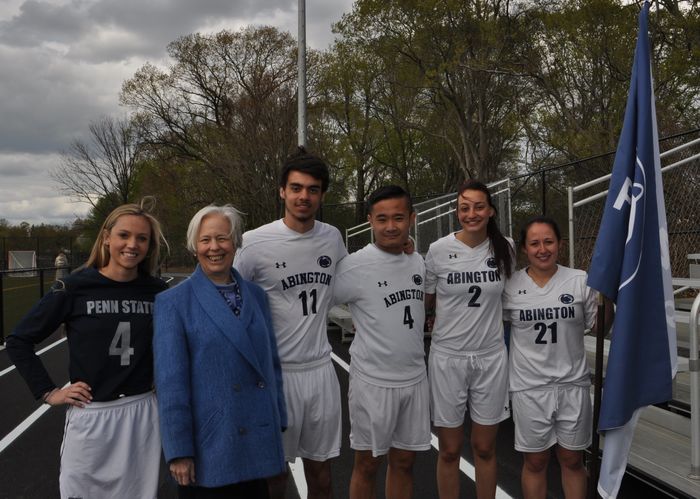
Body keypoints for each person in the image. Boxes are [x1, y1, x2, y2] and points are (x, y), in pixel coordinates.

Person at [6, 201, 168, 499]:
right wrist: (49, 392)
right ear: (106, 237)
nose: (132, 245)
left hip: (142, 412)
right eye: (124, 235)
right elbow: (18, 341)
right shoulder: (73, 287)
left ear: (150, 244)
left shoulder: (158, 292)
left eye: (142, 238)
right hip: (92, 413)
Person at [234, 147, 347, 499]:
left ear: (322, 194)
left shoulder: (333, 237)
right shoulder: (253, 243)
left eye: (313, 189)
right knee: (273, 476)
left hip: (319, 371)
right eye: (296, 188)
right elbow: (227, 295)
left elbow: (357, 274)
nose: (304, 196)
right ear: (282, 191)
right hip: (274, 376)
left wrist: (401, 247)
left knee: (323, 476)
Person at [154, 205, 286, 498]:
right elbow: (171, 385)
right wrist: (178, 450)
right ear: (194, 246)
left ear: (236, 242)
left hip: (257, 435)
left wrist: (278, 418)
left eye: (223, 238)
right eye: (205, 240)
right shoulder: (173, 303)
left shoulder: (256, 295)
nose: (214, 247)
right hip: (210, 445)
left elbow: (270, 363)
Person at [333, 185, 431, 499]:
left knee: (404, 462)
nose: (391, 226)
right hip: (373, 382)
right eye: (382, 219)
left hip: (415, 378)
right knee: (367, 464)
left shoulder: (418, 260)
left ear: (412, 219)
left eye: (399, 218)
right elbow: (317, 299)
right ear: (370, 221)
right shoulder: (355, 266)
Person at [503, 216, 606, 499]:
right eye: (534, 243)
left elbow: (600, 326)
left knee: (572, 459)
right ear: (524, 248)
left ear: (560, 244)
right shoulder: (510, 286)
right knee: (535, 461)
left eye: (548, 242)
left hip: (572, 384)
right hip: (529, 387)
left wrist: (610, 296)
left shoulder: (580, 280)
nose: (542, 249)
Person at [424, 179, 514, 499]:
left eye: (478, 207)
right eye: (465, 207)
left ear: (490, 211)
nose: (471, 213)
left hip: (490, 357)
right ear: (456, 211)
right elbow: (427, 301)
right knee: (449, 449)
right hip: (448, 357)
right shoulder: (437, 251)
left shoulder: (507, 247)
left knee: (485, 448)